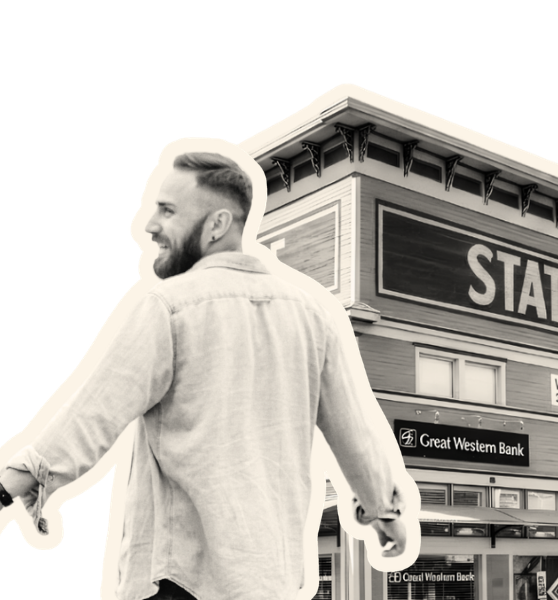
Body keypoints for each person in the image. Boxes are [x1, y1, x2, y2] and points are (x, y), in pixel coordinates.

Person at [2, 147, 414, 599]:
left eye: (168, 210)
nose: (149, 225)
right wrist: (383, 511)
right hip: (268, 580)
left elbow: (97, 411)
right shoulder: (312, 316)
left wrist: (11, 484)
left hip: (182, 579)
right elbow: (355, 433)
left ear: (217, 224)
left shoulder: (170, 308)